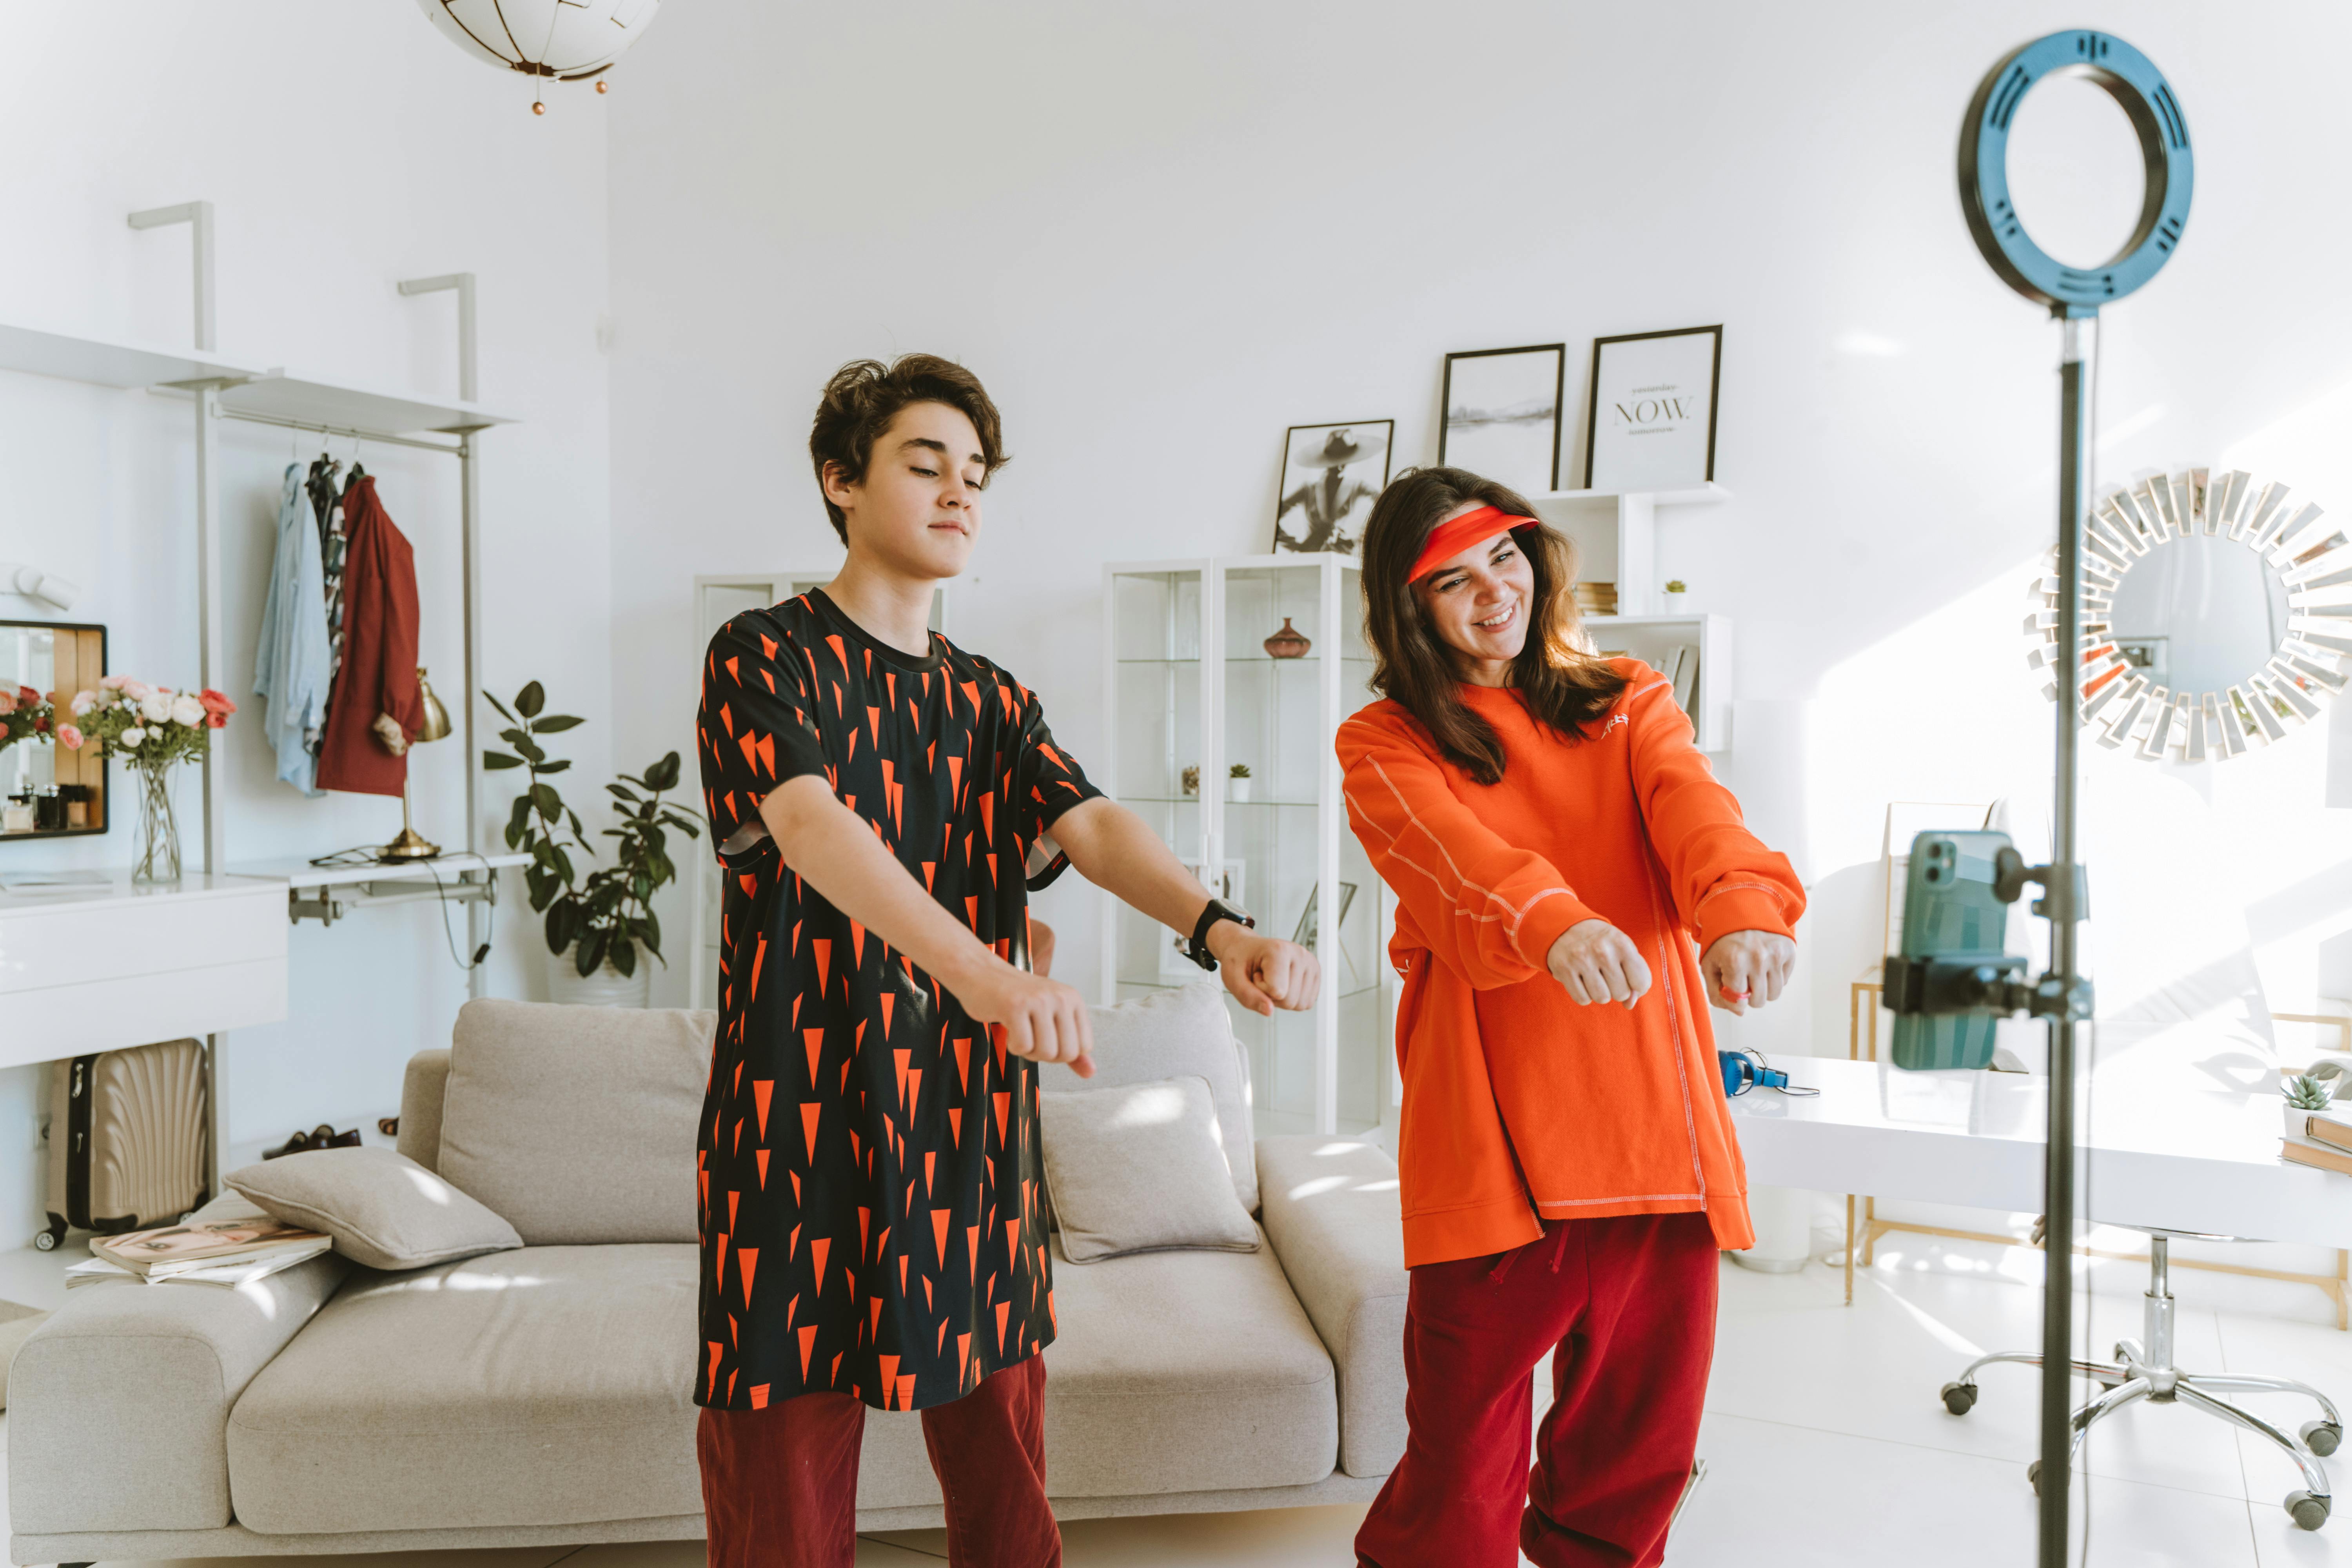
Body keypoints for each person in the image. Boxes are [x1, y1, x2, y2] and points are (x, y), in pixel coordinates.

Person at [692, 354, 1318, 1568]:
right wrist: (985, 975)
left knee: (1005, 1491)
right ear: (839, 481)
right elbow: (815, 825)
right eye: (924, 466)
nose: (958, 494)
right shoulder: (760, 653)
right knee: (780, 1499)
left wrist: (1220, 928)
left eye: (975, 475)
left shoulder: (990, 700)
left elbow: (1093, 826)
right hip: (794, 1122)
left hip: (964, 1128)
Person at [1336, 466, 1804, 1568]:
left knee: (1639, 1453)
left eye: (1503, 558)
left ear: (1538, 559)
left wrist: (1742, 911)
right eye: (1450, 582)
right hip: (1496, 1147)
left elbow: (1696, 809)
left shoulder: (1628, 695)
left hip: (1652, 1128)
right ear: (1412, 611)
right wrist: (1553, 921)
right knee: (1459, 1467)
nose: (1491, 594)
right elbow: (1457, 860)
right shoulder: (1386, 740)